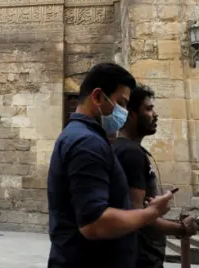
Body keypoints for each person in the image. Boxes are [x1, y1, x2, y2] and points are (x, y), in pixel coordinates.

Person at [47, 63, 175, 268]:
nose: (124, 113)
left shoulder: (85, 137)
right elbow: (94, 223)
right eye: (121, 103)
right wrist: (151, 213)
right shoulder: (87, 143)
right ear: (97, 97)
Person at [113, 85, 199, 268]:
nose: (155, 114)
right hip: (140, 258)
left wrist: (157, 208)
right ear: (131, 114)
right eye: (148, 109)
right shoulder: (130, 153)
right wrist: (181, 228)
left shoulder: (126, 149)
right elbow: (137, 217)